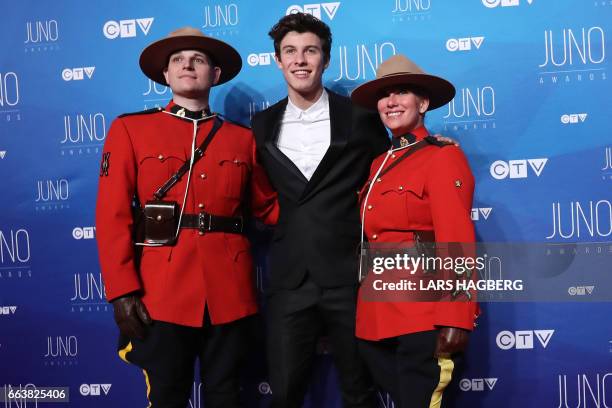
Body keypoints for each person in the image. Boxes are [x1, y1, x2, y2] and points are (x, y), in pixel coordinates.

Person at [95, 27, 278, 408]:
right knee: (166, 396)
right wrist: (122, 291)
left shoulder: (241, 139)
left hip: (230, 291)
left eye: (198, 59)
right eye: (177, 60)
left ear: (215, 74)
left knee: (226, 395)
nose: (187, 65)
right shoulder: (130, 129)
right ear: (165, 76)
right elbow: (112, 216)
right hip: (161, 292)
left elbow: (268, 207)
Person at [250, 12, 389, 408]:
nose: (300, 60)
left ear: (325, 60)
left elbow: (388, 174)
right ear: (278, 60)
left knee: (360, 391)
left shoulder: (360, 117)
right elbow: (260, 195)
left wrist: (428, 142)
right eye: (290, 51)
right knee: (285, 393)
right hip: (290, 278)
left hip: (351, 276)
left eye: (310, 50)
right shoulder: (261, 124)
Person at [350, 54, 479, 407]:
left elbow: (457, 239)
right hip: (375, 317)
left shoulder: (442, 156)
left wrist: (457, 315)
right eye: (384, 95)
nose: (391, 102)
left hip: (423, 314)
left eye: (402, 92)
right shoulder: (378, 163)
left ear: (422, 103)